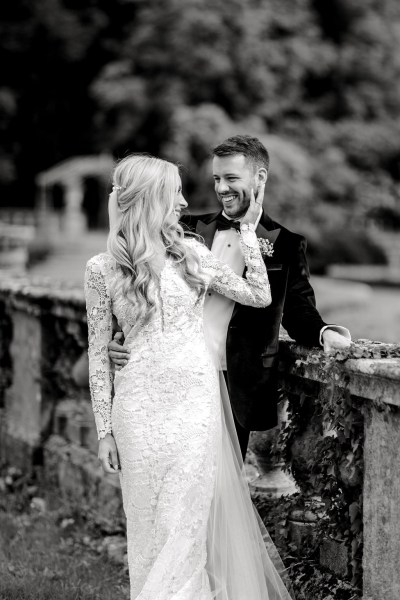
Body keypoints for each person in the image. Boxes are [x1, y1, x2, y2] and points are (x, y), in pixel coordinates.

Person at [84, 153, 293, 600]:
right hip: (137, 408)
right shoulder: (102, 269)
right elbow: (99, 353)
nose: (183, 201)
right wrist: (104, 431)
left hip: (194, 406)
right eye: (174, 192)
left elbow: (258, 294)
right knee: (147, 531)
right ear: (152, 198)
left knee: (185, 526)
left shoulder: (192, 253)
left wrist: (249, 232)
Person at [108, 135, 351, 460]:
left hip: (237, 380)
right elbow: (132, 277)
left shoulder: (285, 243)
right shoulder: (184, 227)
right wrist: (119, 334)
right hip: (172, 372)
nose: (221, 188)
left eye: (231, 178)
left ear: (259, 178)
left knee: (219, 484)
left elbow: (299, 311)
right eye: (216, 179)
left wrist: (326, 333)